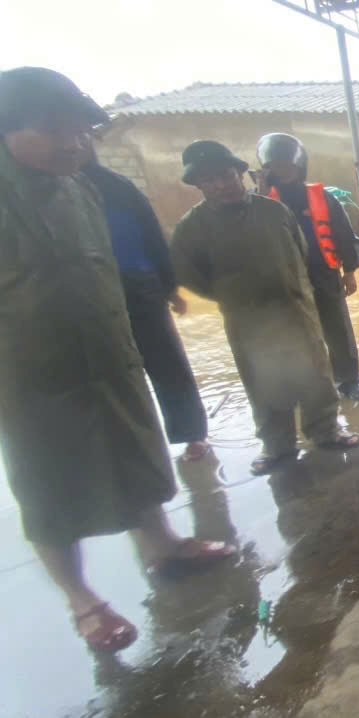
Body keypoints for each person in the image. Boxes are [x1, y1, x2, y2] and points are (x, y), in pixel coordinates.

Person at [0, 67, 236, 653]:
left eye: (81, 131)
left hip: (109, 356)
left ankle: (161, 545)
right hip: (32, 378)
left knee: (137, 455)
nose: (73, 144)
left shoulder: (83, 189)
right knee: (48, 488)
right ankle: (83, 599)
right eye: (55, 130)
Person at [170, 140, 359, 475]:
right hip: (247, 320)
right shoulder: (192, 227)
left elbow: (299, 252)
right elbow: (189, 274)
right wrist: (230, 295)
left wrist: (295, 288)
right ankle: (277, 446)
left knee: (315, 374)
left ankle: (326, 431)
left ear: (240, 174)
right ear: (199, 186)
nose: (221, 185)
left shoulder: (274, 212)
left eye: (227, 175)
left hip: (296, 310)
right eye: (209, 181)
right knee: (262, 381)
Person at [81, 144, 211, 462]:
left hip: (139, 286)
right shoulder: (43, 191)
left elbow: (152, 235)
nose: (75, 143)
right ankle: (131, 444)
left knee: (166, 362)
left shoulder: (117, 187)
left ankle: (192, 435)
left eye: (83, 135)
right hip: (86, 292)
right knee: (108, 372)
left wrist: (169, 287)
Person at [256, 133, 359, 401]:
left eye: (288, 166)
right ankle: (302, 386)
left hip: (323, 275)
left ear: (299, 166)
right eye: (276, 166)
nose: (283, 172)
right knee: (291, 336)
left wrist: (349, 271)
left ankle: (349, 381)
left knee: (337, 330)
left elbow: (343, 234)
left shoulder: (323, 198)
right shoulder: (256, 202)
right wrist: (260, 191)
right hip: (281, 282)